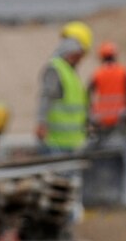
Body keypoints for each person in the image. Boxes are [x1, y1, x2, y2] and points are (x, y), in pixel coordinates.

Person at [36, 21, 91, 151]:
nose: (81, 59)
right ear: (74, 52)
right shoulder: (56, 69)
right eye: (81, 55)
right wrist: (41, 123)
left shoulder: (69, 72)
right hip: (56, 143)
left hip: (71, 142)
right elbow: (46, 97)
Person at [88, 41, 126, 136]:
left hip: (102, 118)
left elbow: (89, 92)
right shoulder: (123, 71)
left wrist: (92, 111)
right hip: (121, 116)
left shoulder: (97, 73)